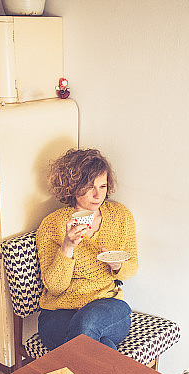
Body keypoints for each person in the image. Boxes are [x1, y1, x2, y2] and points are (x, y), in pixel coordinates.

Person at [36, 148, 138, 351]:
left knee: (87, 324)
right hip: (59, 312)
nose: (97, 194)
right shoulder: (52, 225)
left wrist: (117, 265)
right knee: (98, 344)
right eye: (89, 186)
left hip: (108, 306)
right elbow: (54, 288)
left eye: (102, 186)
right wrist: (67, 247)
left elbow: (132, 267)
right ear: (72, 186)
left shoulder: (120, 216)